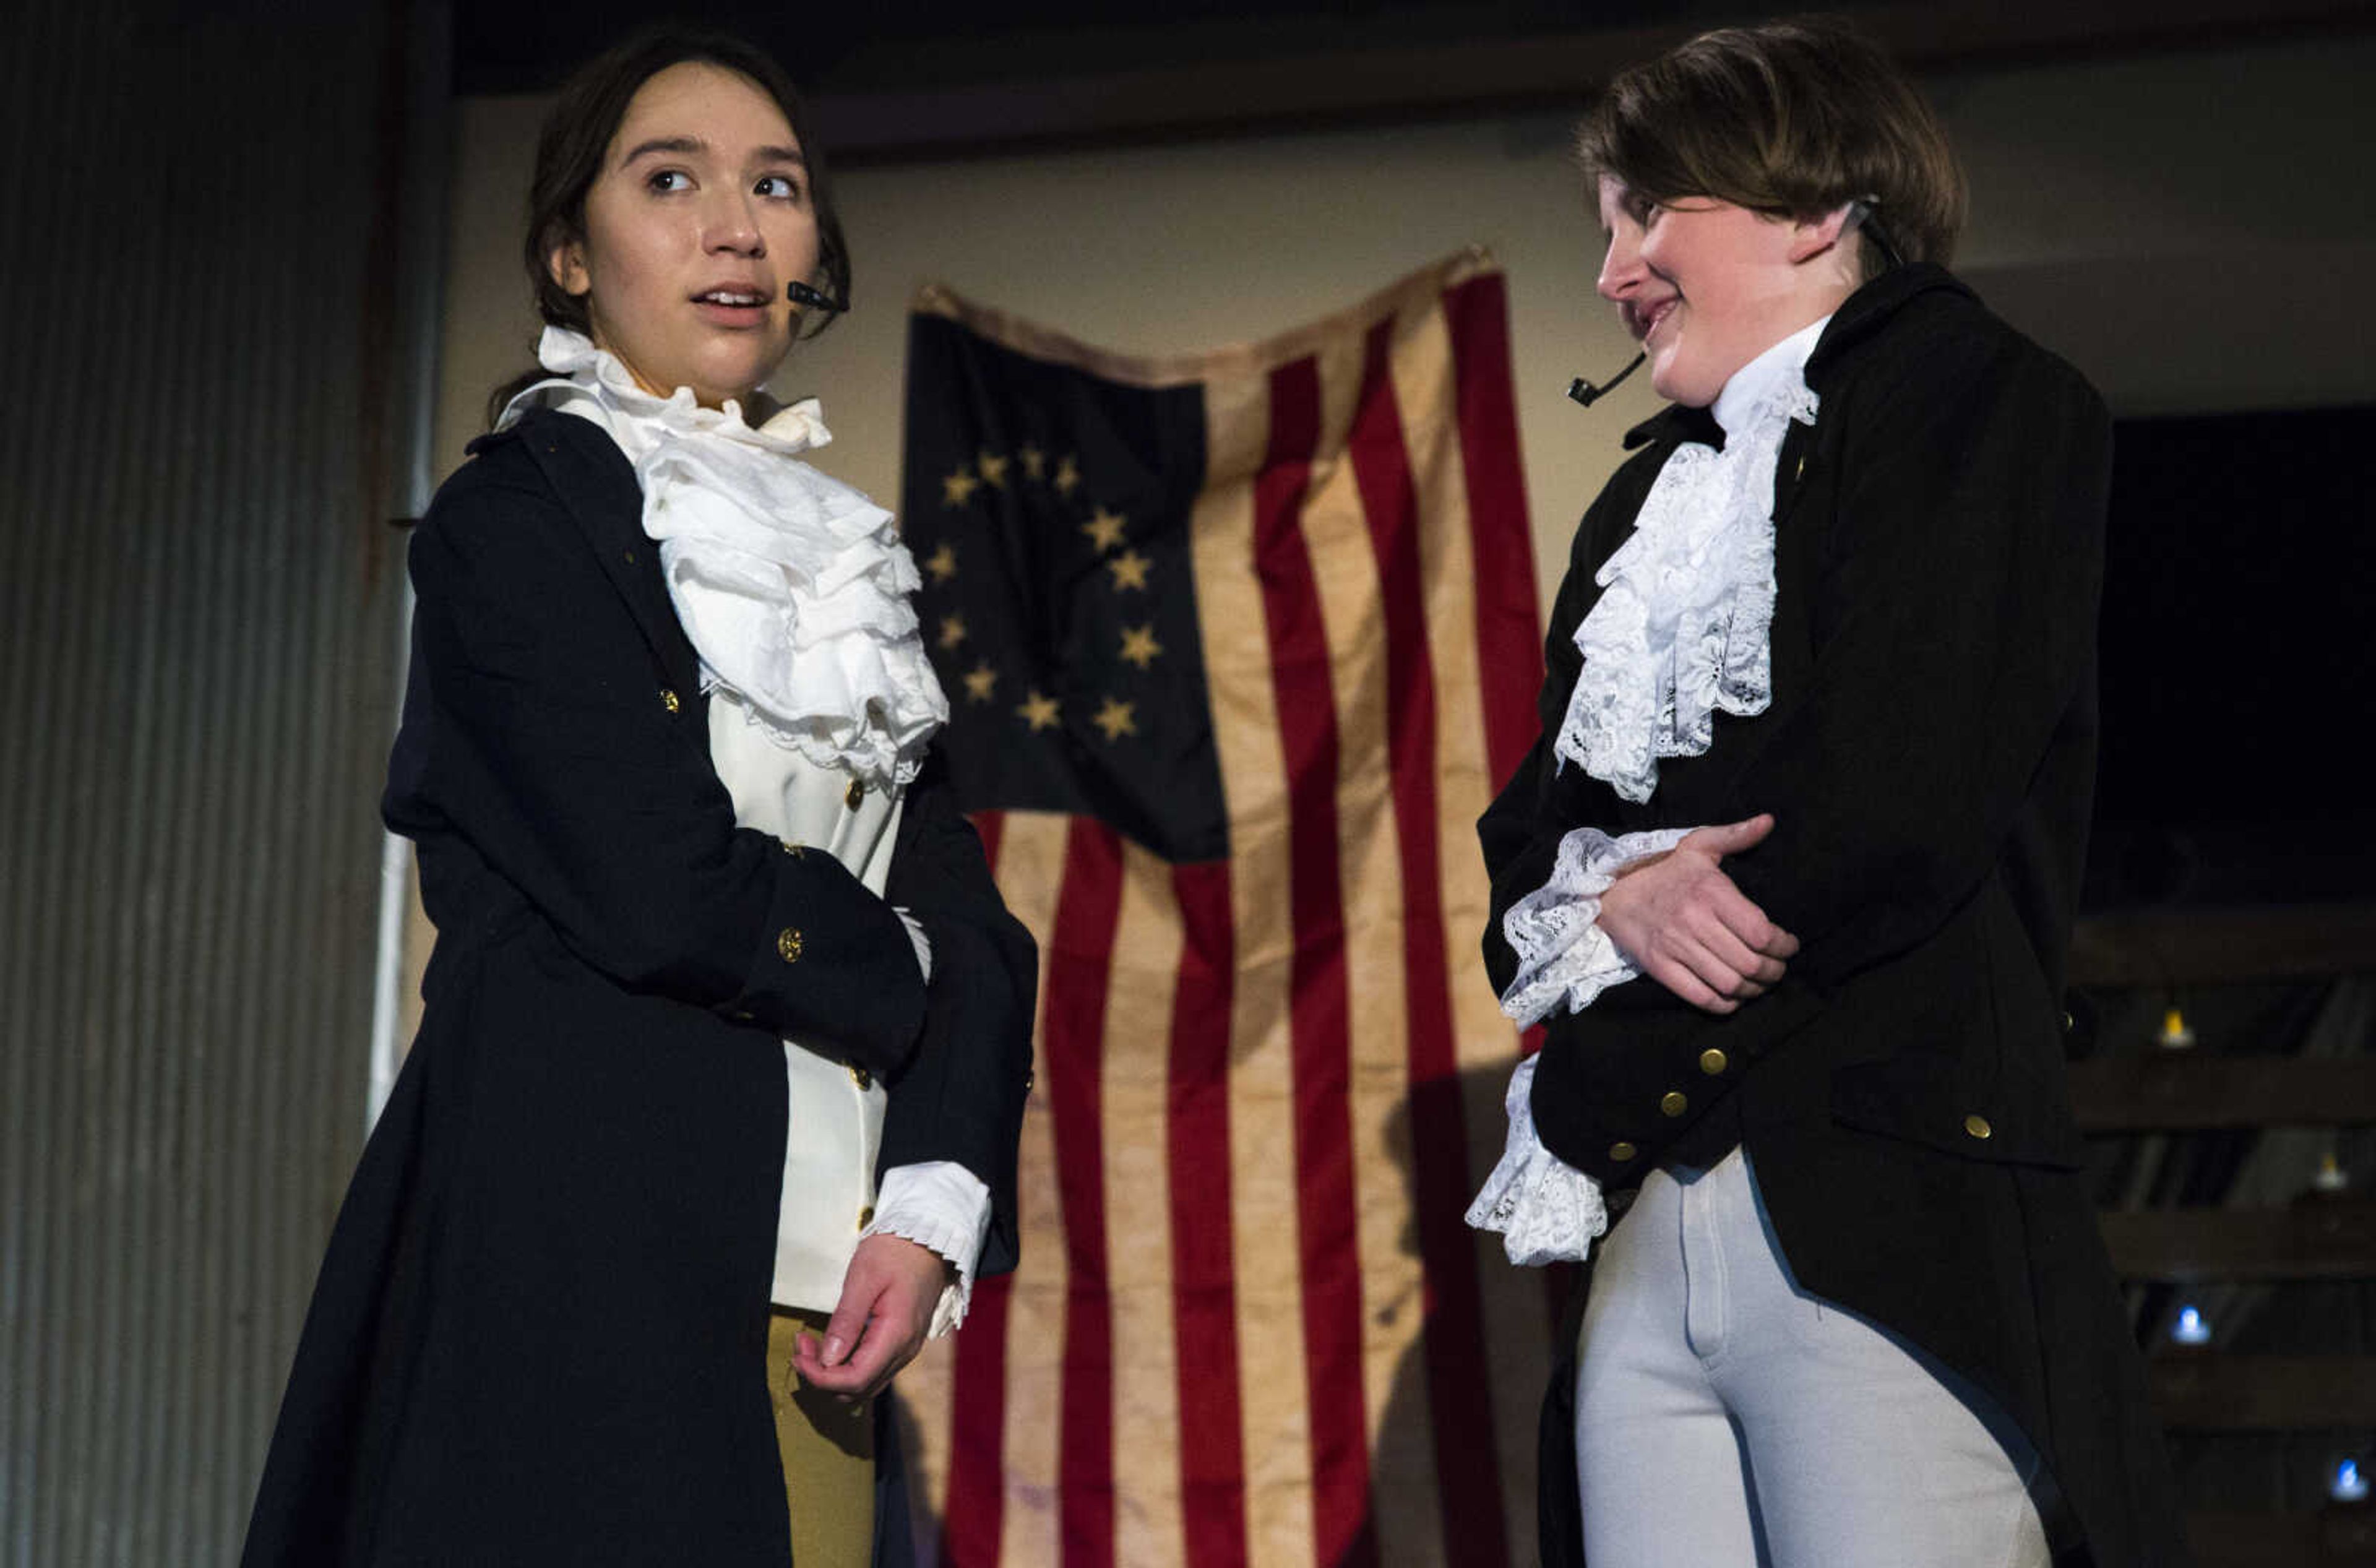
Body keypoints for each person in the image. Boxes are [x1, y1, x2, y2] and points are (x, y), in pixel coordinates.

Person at [241, 28, 1035, 1566]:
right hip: (570, 1260)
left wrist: (929, 1203)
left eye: (777, 187)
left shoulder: (853, 559)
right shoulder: (510, 524)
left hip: (820, 1273)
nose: (738, 226)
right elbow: (658, 881)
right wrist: (913, 976)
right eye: (670, 180)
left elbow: (968, 913)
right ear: (569, 254)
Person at [1466, 18, 2184, 1567]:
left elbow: (1900, 789)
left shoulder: (1977, 397)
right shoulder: (1638, 504)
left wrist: (1616, 934)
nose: (1613, 270)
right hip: (1647, 1230)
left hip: (1884, 1203)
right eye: (1606, 223)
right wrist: (1619, 891)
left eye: (1648, 211)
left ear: (1812, 206)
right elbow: (1523, 850)